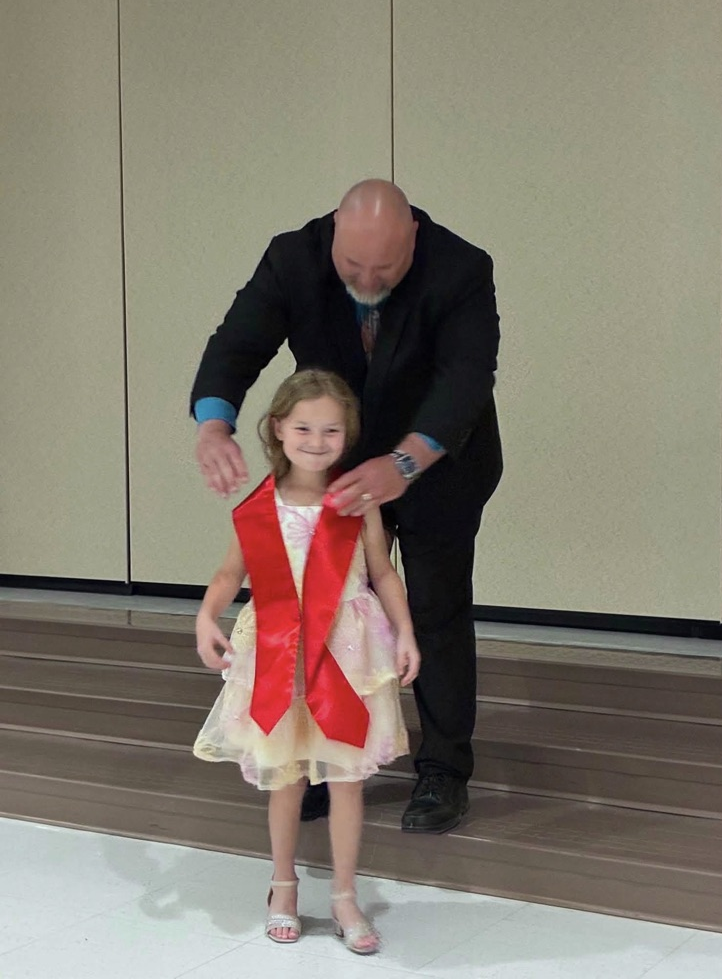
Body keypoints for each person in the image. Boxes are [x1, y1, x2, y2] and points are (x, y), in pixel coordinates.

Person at [192, 179, 502, 833]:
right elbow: (238, 343)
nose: (366, 279)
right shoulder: (293, 258)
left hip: (437, 460)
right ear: (334, 231)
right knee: (323, 608)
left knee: (432, 605)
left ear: (413, 236)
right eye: (351, 266)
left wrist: (406, 462)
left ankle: (443, 769)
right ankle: (323, 758)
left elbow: (466, 380)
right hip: (336, 461)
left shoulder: (461, 268)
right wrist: (214, 424)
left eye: (384, 269)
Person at [193, 368, 420, 953]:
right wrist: (204, 617)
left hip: (345, 650)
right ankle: (283, 886)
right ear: (277, 429)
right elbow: (229, 573)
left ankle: (345, 894)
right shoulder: (256, 509)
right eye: (303, 428)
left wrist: (406, 633)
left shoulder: (355, 502)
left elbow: (381, 571)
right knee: (286, 779)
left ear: (349, 436)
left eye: (332, 431)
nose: (317, 441)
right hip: (278, 653)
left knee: (346, 779)